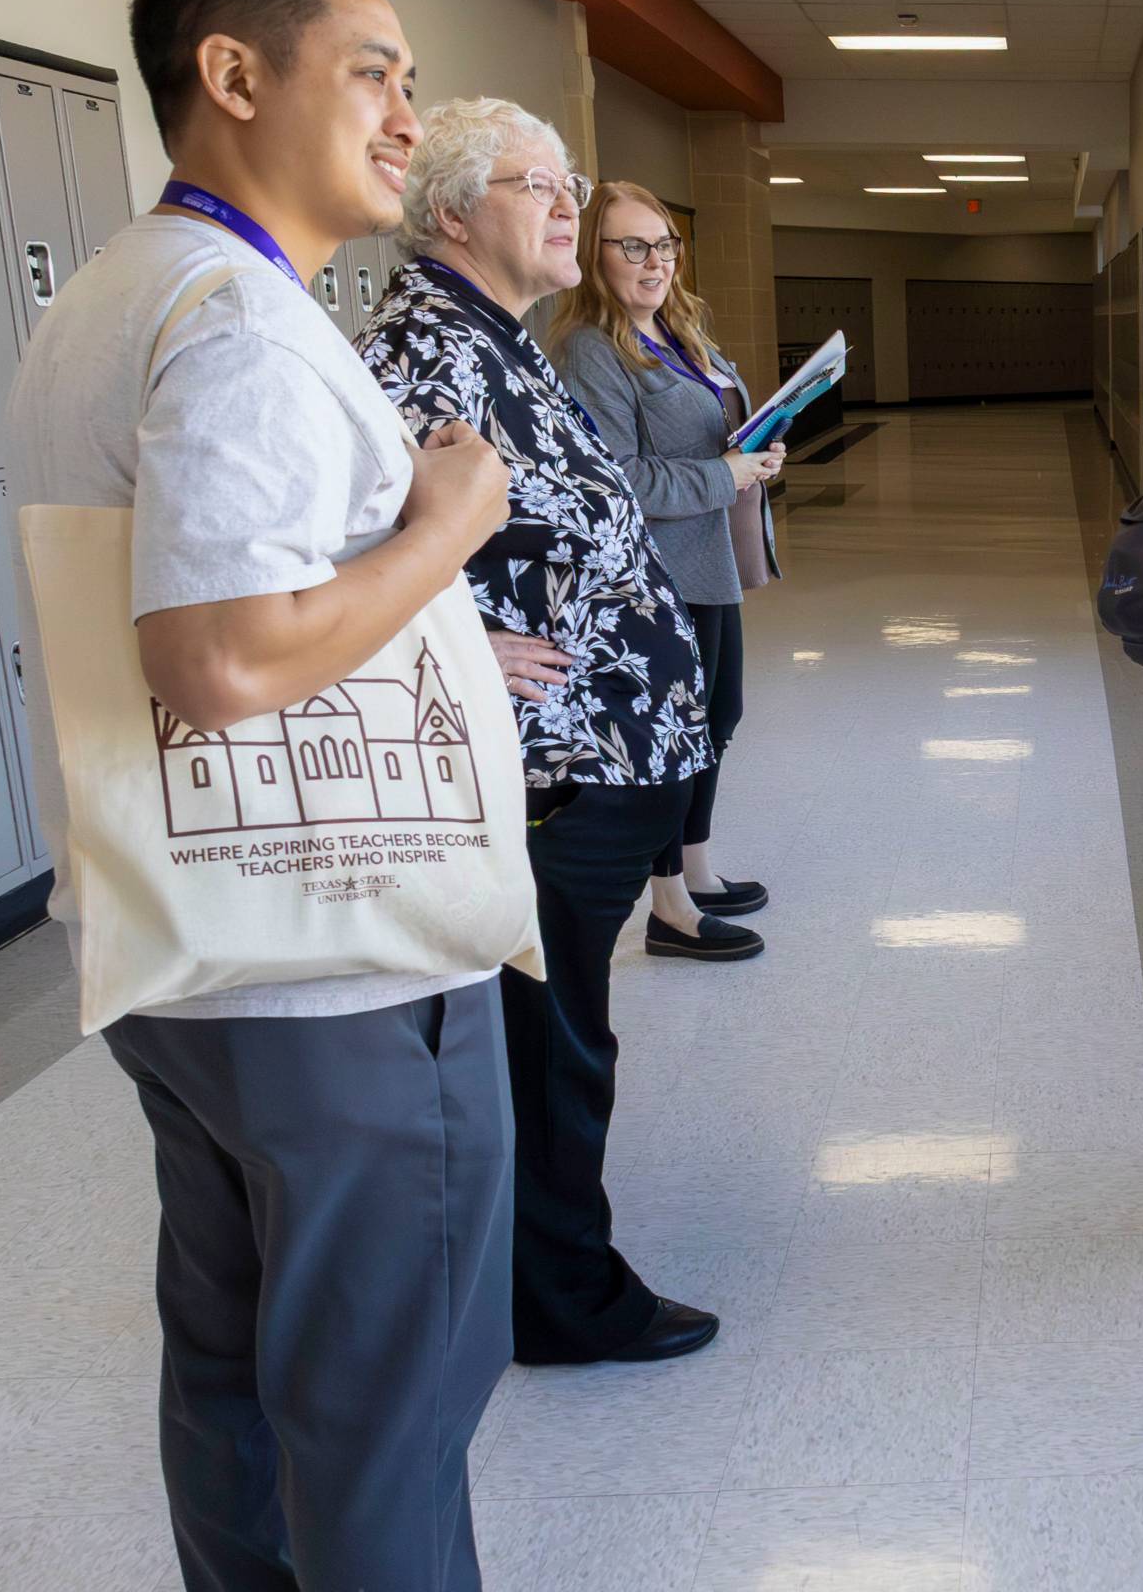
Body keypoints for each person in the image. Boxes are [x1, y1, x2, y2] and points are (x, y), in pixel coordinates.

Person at [3, 0, 516, 1587]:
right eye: (374, 74)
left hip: (185, 944)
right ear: (232, 73)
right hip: (337, 974)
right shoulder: (240, 323)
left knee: (231, 1368)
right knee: (384, 1404)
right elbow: (219, 658)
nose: (404, 120)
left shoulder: (117, 290)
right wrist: (444, 531)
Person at [353, 97, 726, 1366]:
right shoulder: (424, 349)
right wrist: (449, 642)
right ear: (454, 211)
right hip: (547, 767)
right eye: (536, 185)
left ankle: (541, 1263)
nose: (567, 204)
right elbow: (343, 545)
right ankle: (560, 1295)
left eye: (569, 181)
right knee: (549, 1039)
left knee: (555, 1032)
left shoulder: (496, 337)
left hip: (595, 752)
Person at [551, 180, 781, 958]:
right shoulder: (591, 350)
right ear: (594, 255)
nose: (655, 262)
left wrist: (756, 452)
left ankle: (696, 868)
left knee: (718, 719)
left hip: (704, 563)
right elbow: (617, 479)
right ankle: (669, 909)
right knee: (675, 737)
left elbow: (714, 440)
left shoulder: (681, 332)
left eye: (665, 244)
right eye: (633, 246)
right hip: (655, 581)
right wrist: (729, 474)